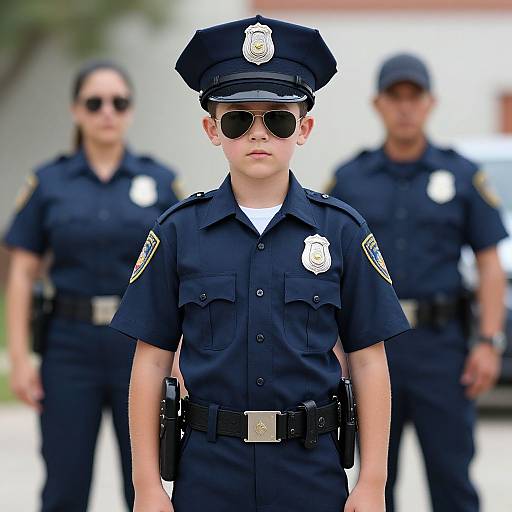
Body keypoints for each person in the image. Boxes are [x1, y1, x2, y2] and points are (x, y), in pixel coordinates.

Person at [110, 15, 410, 512]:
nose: (258, 133)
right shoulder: (178, 232)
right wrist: (146, 487)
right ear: (212, 129)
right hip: (209, 469)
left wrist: (373, 482)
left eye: (278, 118)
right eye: (237, 118)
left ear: (304, 128)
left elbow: (368, 360)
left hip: (309, 470)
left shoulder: (342, 231)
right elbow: (151, 362)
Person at [327, 53, 508, 512]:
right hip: (372, 347)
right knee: (374, 483)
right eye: (395, 97)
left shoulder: (463, 176)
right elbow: (328, 268)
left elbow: (489, 262)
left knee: (452, 479)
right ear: (378, 104)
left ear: (430, 103)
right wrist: (333, 347)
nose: (405, 107)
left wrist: (488, 340)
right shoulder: (350, 181)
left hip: (440, 349)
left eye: (415, 97)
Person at [4, 59, 181, 512]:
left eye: (119, 102)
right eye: (95, 102)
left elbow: (181, 273)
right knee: (65, 484)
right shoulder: (49, 182)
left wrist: (180, 355)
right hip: (69, 347)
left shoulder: (160, 182)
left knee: (145, 485)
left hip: (138, 347)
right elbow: (22, 272)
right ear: (76, 110)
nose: (107, 111)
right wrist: (21, 359)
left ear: (130, 111)